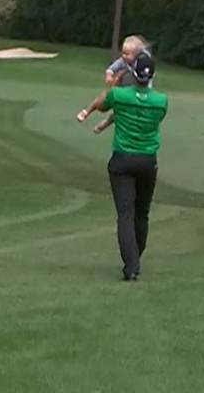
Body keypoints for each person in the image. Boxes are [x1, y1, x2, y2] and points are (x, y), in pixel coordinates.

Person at [83, 52, 168, 281]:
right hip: (147, 160)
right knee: (142, 213)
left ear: (133, 73)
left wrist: (113, 85)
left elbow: (102, 106)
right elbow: (157, 118)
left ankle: (131, 265)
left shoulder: (119, 95)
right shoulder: (161, 101)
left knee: (125, 213)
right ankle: (135, 257)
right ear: (152, 76)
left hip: (122, 159)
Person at [76, 35, 152, 133]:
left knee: (123, 109)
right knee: (105, 98)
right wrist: (109, 76)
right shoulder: (123, 61)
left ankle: (107, 122)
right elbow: (111, 69)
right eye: (123, 53)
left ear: (137, 54)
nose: (124, 56)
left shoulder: (144, 63)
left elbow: (148, 80)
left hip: (137, 89)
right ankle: (87, 111)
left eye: (127, 54)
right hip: (123, 84)